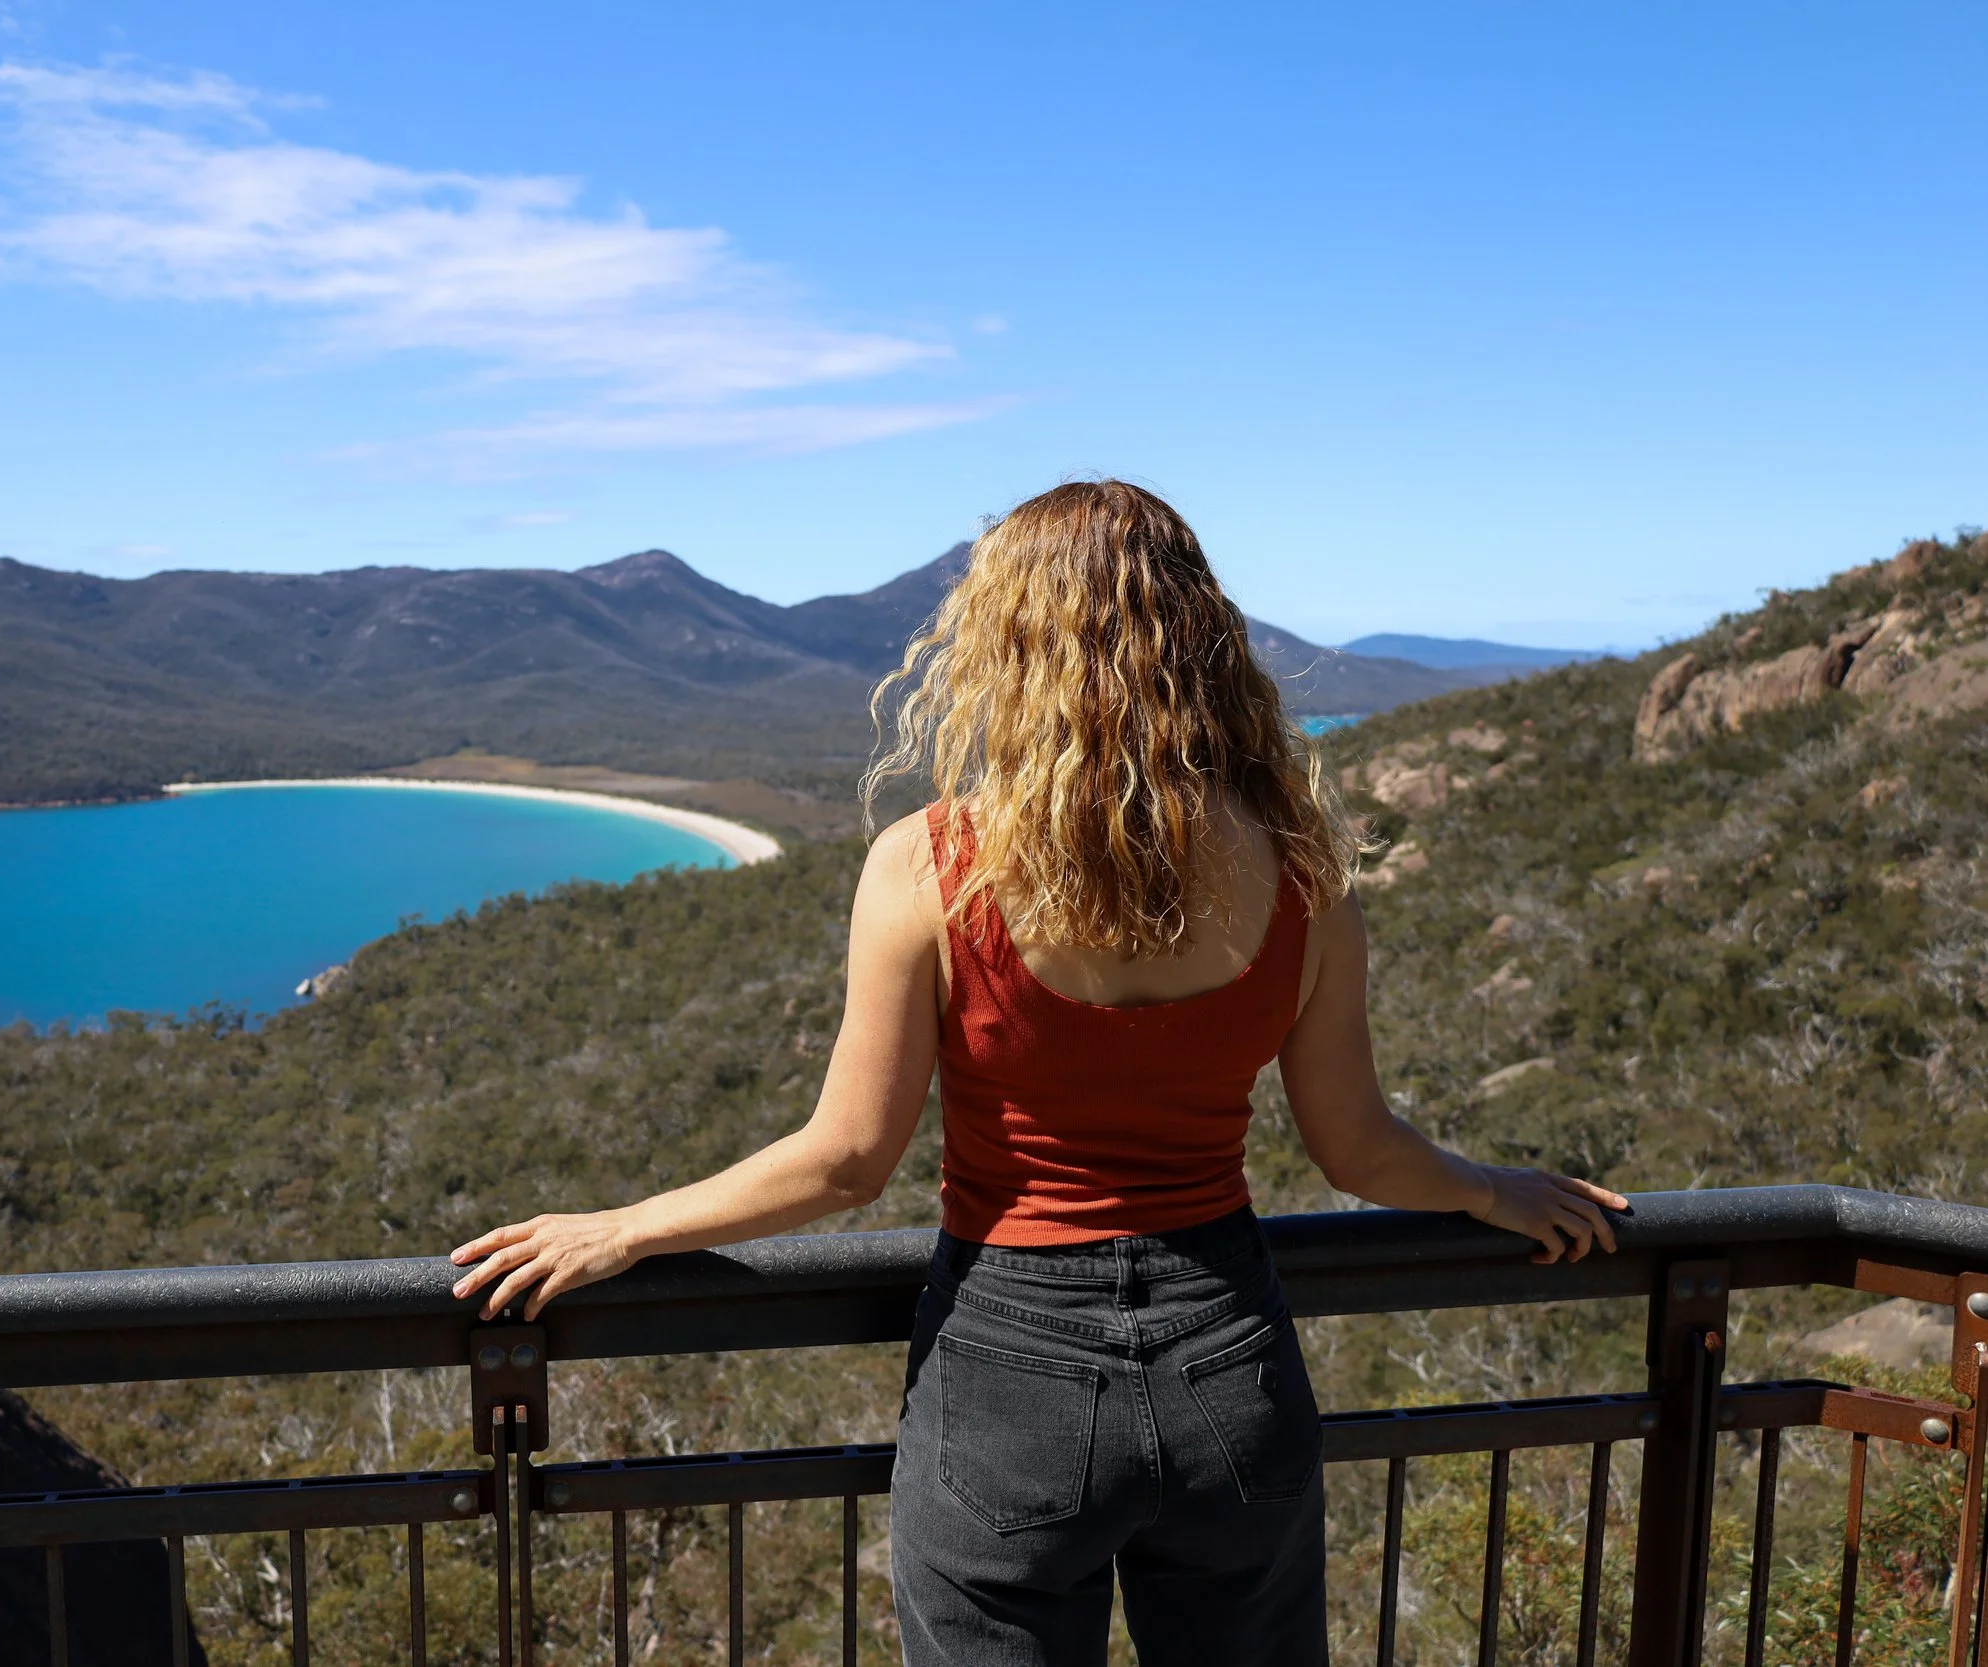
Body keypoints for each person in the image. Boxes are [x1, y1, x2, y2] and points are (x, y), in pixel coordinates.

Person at [450, 480, 1627, 1665]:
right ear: (1198, 637)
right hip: (1230, 1359)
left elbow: (848, 1159)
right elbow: (1357, 1147)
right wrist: (1492, 1189)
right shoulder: (1303, 878)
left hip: (1008, 1371)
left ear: (1006, 644)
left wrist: (624, 1228)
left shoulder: (931, 865)